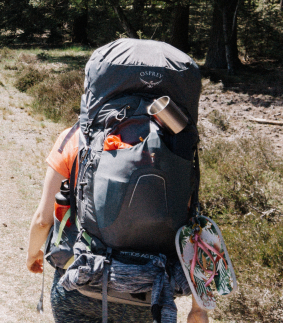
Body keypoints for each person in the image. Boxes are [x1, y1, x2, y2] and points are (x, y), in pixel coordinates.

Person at [26, 126, 209, 323]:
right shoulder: (173, 144)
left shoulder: (77, 136)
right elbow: (192, 229)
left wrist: (32, 254)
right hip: (144, 293)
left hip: (79, 285)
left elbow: (42, 221)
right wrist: (199, 309)